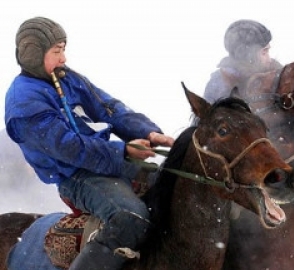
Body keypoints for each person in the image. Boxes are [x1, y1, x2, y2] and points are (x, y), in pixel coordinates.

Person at [5, 17, 174, 270]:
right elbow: (69, 148)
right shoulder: (24, 102)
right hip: (76, 176)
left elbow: (108, 108)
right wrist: (123, 152)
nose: (63, 59)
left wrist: (148, 132)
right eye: (57, 51)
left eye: (63, 50)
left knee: (175, 190)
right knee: (131, 217)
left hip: (108, 162)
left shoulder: (66, 78)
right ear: (33, 54)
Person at [203, 19, 282, 103]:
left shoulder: (277, 75)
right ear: (248, 55)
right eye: (264, 52)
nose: (269, 59)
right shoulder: (220, 85)